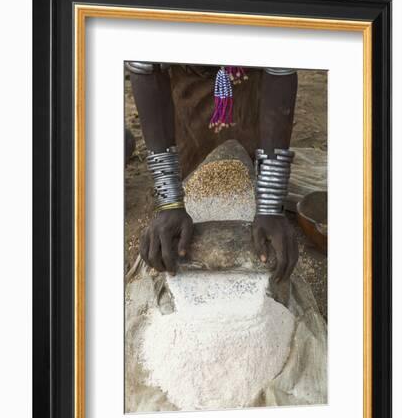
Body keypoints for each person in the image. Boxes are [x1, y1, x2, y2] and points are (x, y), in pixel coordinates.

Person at [126, 62, 299, 283]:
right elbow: (144, 66)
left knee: (250, 171)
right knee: (191, 170)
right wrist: (169, 202)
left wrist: (271, 205)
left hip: (247, 73)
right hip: (189, 75)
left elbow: (280, 67)